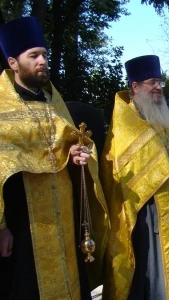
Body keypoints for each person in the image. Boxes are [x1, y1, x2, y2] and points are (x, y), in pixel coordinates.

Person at [0, 17, 108, 299]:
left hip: (64, 216)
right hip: (25, 223)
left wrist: (76, 154)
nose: (42, 61)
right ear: (13, 63)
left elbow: (67, 145)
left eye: (44, 55)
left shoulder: (53, 102)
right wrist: (1, 227)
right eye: (33, 55)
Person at [100, 55, 169, 300]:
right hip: (149, 214)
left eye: (160, 82)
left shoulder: (163, 119)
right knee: (156, 278)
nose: (158, 87)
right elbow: (118, 174)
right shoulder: (124, 126)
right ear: (135, 87)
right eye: (152, 82)